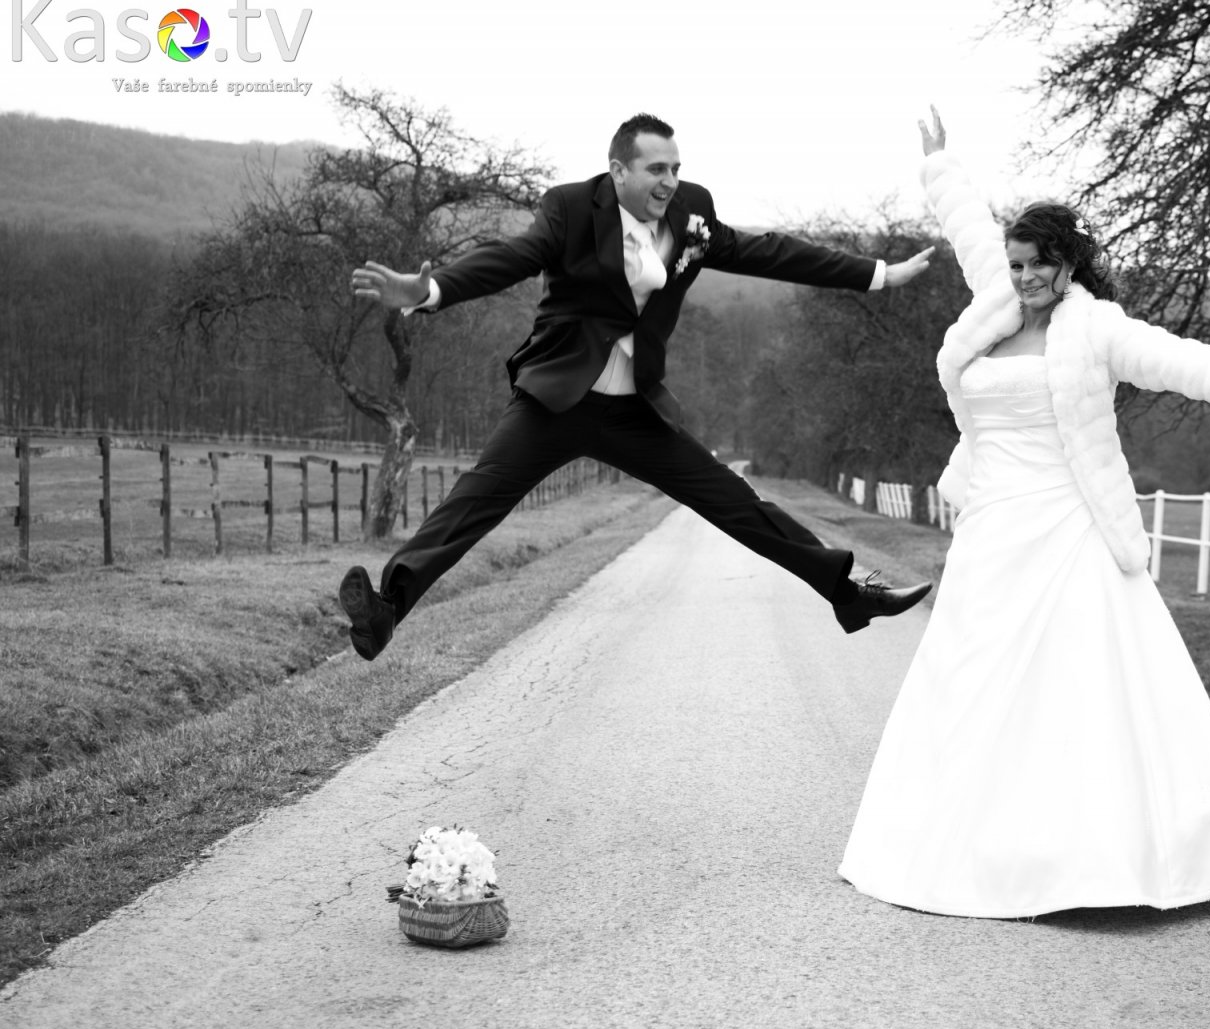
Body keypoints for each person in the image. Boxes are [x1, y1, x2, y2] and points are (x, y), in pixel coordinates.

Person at [837, 108, 1210, 918]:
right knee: (969, 681)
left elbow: (1177, 362)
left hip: (1068, 524)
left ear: (1068, 266)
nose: (1025, 276)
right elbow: (971, 228)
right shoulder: (996, 303)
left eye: (1040, 264)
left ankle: (1092, 860)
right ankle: (961, 846)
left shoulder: (1095, 327)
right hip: (991, 526)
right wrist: (940, 165)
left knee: (1076, 689)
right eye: (1017, 263)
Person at [340, 114, 936, 661]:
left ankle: (846, 593)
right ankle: (387, 609)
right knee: (475, 500)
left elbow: (769, 253)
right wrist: (430, 291)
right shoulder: (571, 209)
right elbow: (513, 256)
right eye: (656, 169)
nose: (669, 181)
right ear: (618, 171)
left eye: (675, 168)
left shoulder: (692, 213)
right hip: (556, 401)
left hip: (635, 411)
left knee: (737, 502)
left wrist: (878, 274)